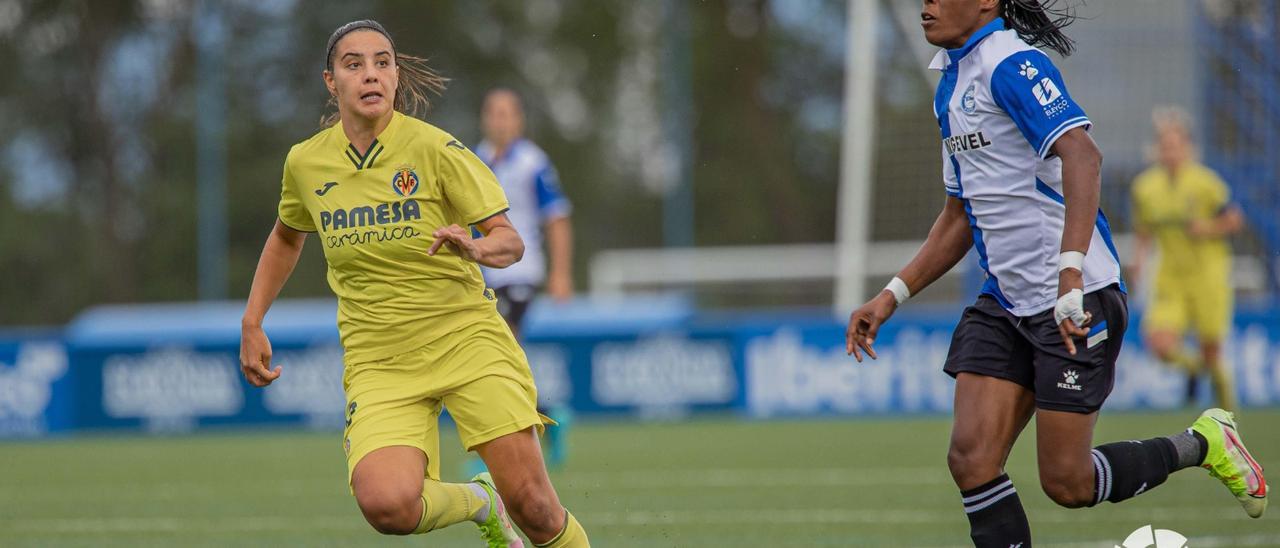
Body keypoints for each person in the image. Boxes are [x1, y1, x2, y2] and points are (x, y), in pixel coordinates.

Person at [844, 2, 1266, 546]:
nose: (927, 4)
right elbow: (959, 214)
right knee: (971, 458)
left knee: (1068, 483)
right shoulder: (949, 85)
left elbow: (1083, 156)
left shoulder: (1011, 65)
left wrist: (1069, 274)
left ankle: (1204, 443)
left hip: (1077, 294)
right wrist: (891, 295)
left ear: (986, 3)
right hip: (1005, 301)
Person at [238, 20, 589, 548]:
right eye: (353, 64)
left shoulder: (436, 149)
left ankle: (510, 505)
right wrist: (252, 320)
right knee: (388, 505)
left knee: (536, 508)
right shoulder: (306, 162)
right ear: (331, 82)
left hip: (466, 339)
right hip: (380, 360)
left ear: (397, 76)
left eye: (382, 62)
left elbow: (510, 241)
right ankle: (480, 502)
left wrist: (477, 247)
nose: (370, 74)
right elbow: (288, 236)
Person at [474, 88, 575, 470]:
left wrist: (561, 273)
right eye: (494, 113)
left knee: (496, 353)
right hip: (483, 273)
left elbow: (557, 218)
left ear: (518, 120)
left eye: (507, 114)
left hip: (521, 270)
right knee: (496, 359)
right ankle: (548, 417)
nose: (500, 121)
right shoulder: (474, 159)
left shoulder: (534, 163)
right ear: (486, 119)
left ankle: (509, 451)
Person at [1130, 107, 1244, 411]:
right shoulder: (1145, 187)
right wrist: (1138, 267)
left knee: (1211, 350)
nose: (1170, 152)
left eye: (1176, 145)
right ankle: (1195, 371)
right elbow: (1143, 233)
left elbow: (1234, 220)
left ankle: (1229, 418)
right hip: (1171, 275)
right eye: (1165, 146)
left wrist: (1207, 228)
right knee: (1159, 344)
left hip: (1208, 274)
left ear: (1188, 148)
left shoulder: (1206, 183)